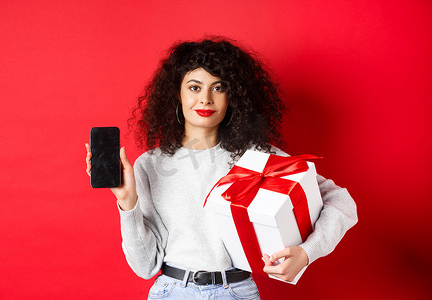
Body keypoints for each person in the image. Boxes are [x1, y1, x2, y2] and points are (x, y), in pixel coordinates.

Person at [85, 37, 358, 300]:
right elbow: (145, 267)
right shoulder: (150, 165)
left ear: (234, 96)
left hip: (237, 292)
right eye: (194, 87)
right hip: (172, 292)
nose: (205, 99)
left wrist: (306, 252)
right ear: (176, 94)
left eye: (218, 88)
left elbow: (341, 202)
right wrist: (127, 202)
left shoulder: (258, 158)